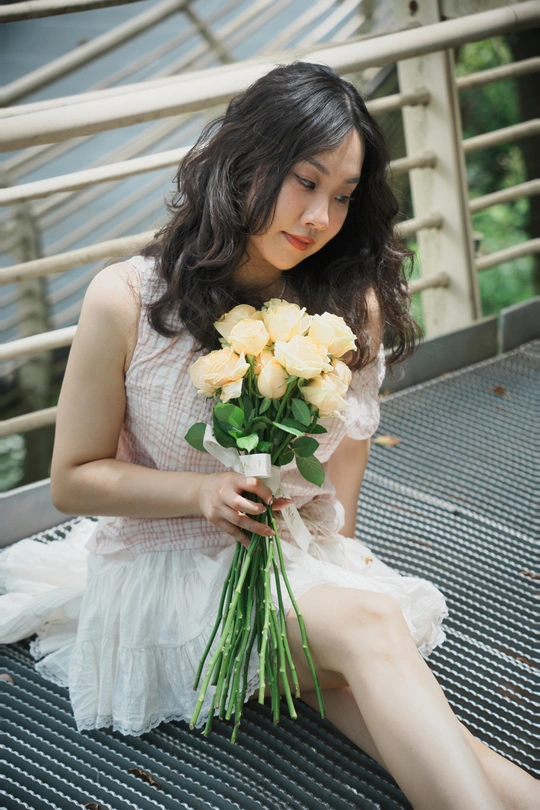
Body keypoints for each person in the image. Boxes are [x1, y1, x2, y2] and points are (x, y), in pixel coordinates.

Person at [0, 61, 537, 810]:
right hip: (166, 574)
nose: (320, 217)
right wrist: (203, 494)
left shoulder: (346, 305)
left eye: (343, 196)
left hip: (285, 560)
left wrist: (330, 564)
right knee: (371, 632)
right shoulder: (126, 300)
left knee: (380, 674)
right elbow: (72, 479)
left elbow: (342, 482)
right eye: (305, 181)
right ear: (246, 161)